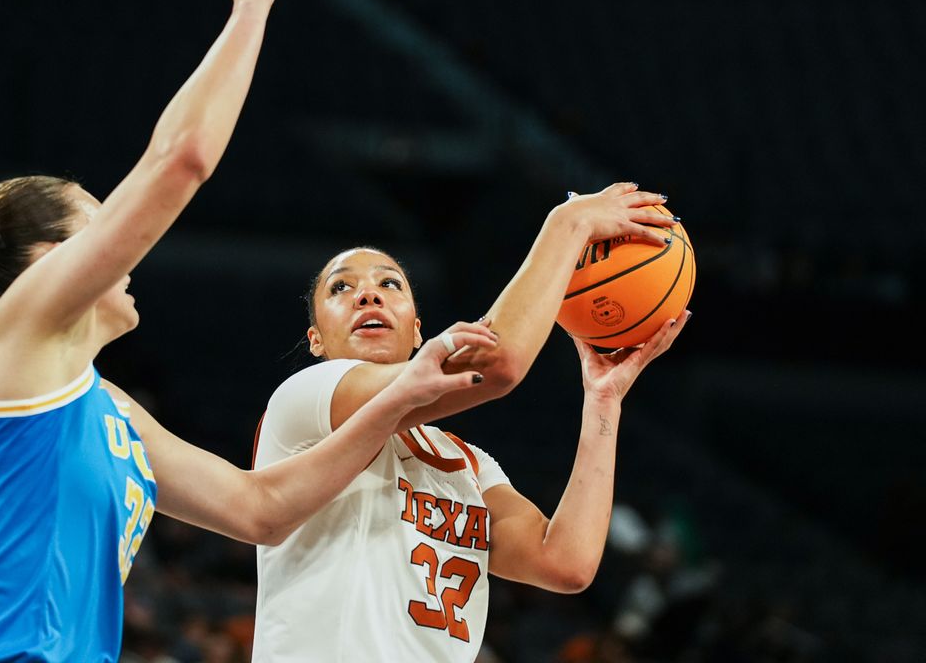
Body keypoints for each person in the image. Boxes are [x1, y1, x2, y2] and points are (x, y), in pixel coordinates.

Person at [0, 0, 498, 663]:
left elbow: (261, 509)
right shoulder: (5, 346)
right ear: (49, 263)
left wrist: (401, 400)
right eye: (98, 215)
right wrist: (251, 5)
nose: (122, 230)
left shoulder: (110, 408)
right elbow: (180, 159)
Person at [252, 183, 692, 662]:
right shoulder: (304, 402)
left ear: (419, 329)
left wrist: (603, 401)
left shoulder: (466, 465)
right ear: (316, 340)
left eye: (389, 284)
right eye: (341, 287)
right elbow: (498, 364)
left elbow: (566, 562)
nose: (367, 296)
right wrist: (568, 224)